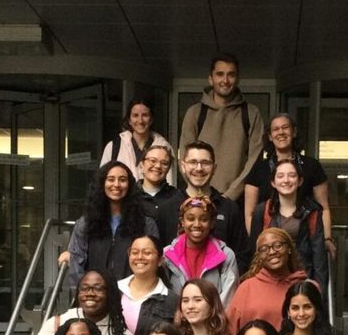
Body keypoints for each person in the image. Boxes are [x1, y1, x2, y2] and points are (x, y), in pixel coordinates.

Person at [243, 113, 335, 257]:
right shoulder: (259, 169)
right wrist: (259, 244)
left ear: (294, 132)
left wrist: (327, 238)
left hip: (305, 245)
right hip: (269, 248)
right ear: (269, 136)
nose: (281, 132)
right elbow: (249, 213)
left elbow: (324, 208)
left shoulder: (312, 166)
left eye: (285, 127)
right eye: (275, 129)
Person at [178, 53, 265, 202]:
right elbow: (185, 159)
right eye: (220, 74)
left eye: (231, 75)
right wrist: (200, 193)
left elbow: (254, 161)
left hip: (237, 201)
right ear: (211, 79)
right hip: (198, 199)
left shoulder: (251, 113)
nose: (225, 80)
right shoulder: (195, 113)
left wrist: (229, 197)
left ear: (237, 79)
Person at [60, 160, 160, 289]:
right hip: (96, 297)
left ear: (130, 185)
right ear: (102, 184)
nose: (116, 184)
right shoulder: (85, 223)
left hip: (134, 296)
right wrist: (84, 293)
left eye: (122, 180)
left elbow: (153, 264)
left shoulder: (146, 224)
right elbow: (76, 263)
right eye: (110, 179)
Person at [156, 140, 252, 270]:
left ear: (214, 168)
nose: (199, 168)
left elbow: (242, 257)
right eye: (193, 162)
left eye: (205, 163)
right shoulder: (166, 209)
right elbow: (158, 256)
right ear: (183, 166)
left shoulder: (230, 209)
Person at [249, 160, 329, 289]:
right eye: (280, 176)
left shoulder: (312, 211)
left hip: (301, 280)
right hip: (269, 282)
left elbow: (319, 256)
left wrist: (320, 292)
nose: (286, 180)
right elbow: (254, 251)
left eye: (292, 175)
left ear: (300, 181)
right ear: (273, 183)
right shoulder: (261, 210)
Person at [226, 228, 308, 333]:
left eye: (278, 245)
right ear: (259, 256)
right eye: (264, 249)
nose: (272, 252)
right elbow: (230, 332)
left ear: (289, 248)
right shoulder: (246, 288)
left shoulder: (305, 287)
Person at [163, 195, 238, 306]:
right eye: (191, 218)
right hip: (177, 321)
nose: (197, 224)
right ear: (182, 222)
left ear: (212, 223)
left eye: (203, 219)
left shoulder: (225, 255)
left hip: (213, 321)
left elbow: (229, 298)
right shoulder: (168, 255)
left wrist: (212, 320)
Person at [118, 235, 176, 335]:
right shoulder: (114, 290)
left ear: (160, 260)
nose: (139, 257)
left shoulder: (172, 301)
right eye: (134, 252)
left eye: (147, 253)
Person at [100, 96, 173, 180]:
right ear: (129, 120)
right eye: (135, 115)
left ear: (151, 119)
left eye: (145, 115)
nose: (140, 121)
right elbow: (102, 181)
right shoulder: (113, 147)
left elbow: (169, 183)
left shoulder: (165, 148)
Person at [137, 145, 179, 230]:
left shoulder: (177, 197)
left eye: (164, 163)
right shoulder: (130, 195)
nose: (158, 166)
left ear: (168, 169)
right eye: (153, 161)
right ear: (141, 165)